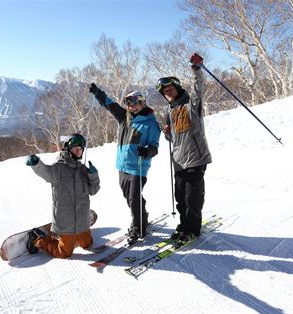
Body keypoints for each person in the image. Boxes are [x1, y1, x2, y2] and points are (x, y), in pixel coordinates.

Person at [89, 84, 161, 243]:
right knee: (129, 197)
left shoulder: (151, 124)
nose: (132, 107)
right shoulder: (124, 117)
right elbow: (109, 104)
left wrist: (147, 151)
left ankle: (138, 228)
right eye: (129, 104)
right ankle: (143, 215)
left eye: (135, 103)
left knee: (134, 198)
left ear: (142, 103)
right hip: (122, 166)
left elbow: (155, 147)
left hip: (138, 167)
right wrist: (97, 93)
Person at [156, 53, 212, 243]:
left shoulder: (191, 104)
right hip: (178, 160)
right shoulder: (170, 111)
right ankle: (184, 224)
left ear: (178, 89)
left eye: (171, 88)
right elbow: (173, 138)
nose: (168, 92)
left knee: (192, 198)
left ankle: (193, 229)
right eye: (166, 91)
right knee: (180, 197)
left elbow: (199, 88)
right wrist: (166, 133)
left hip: (196, 158)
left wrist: (197, 69)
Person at [24, 133, 100, 259]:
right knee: (64, 253)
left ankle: (76, 238)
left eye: (80, 149)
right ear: (68, 149)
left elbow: (93, 190)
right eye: (75, 148)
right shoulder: (58, 169)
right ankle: (38, 240)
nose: (78, 152)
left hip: (82, 221)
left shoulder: (82, 169)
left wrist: (94, 176)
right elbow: (46, 172)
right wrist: (36, 164)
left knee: (88, 244)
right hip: (66, 223)